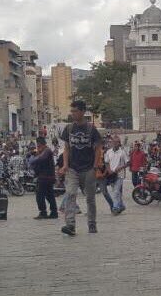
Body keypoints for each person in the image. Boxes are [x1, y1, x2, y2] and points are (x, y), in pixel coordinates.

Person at [58, 100, 103, 236]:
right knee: (70, 193)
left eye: (75, 111)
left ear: (83, 112)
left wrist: (95, 166)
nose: (73, 114)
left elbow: (98, 148)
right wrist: (65, 165)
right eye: (71, 111)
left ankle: (92, 224)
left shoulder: (91, 129)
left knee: (90, 198)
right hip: (72, 168)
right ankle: (70, 225)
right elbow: (66, 148)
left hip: (88, 168)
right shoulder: (69, 128)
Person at [29, 137, 58, 220]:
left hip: (45, 177)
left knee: (40, 195)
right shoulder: (42, 151)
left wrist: (34, 160)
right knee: (49, 195)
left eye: (38, 145)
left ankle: (43, 212)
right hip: (46, 176)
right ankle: (53, 212)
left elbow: (41, 159)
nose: (37, 147)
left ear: (41, 144)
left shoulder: (47, 151)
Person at [103, 135, 128, 215]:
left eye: (116, 142)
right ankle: (121, 205)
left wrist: (121, 167)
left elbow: (128, 162)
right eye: (113, 142)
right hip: (111, 174)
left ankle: (115, 207)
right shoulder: (109, 152)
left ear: (119, 143)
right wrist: (109, 170)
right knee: (116, 192)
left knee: (116, 191)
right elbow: (106, 162)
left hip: (120, 174)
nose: (114, 143)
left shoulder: (122, 152)